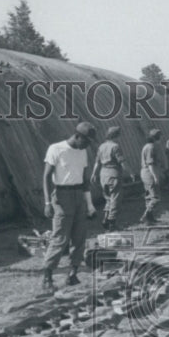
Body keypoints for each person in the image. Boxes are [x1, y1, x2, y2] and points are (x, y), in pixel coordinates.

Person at [43, 122, 97, 290]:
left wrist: (90, 205)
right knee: (60, 237)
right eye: (86, 141)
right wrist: (47, 202)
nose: (87, 145)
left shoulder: (83, 152)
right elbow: (46, 177)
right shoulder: (56, 149)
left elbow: (85, 180)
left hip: (78, 195)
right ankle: (47, 277)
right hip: (61, 195)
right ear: (77, 136)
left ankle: (72, 274)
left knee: (80, 237)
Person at [90, 125, 127, 230]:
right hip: (113, 173)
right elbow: (122, 161)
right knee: (115, 197)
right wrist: (131, 172)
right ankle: (112, 222)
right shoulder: (115, 146)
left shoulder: (101, 146)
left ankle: (106, 219)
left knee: (108, 198)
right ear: (116, 135)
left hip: (103, 174)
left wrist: (94, 174)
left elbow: (97, 162)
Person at [139, 128, 163, 225]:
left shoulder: (148, 146)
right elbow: (150, 164)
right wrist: (155, 176)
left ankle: (150, 218)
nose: (161, 137)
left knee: (149, 197)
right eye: (160, 135)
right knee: (155, 197)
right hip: (149, 172)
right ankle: (145, 216)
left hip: (146, 172)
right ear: (156, 137)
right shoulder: (151, 147)